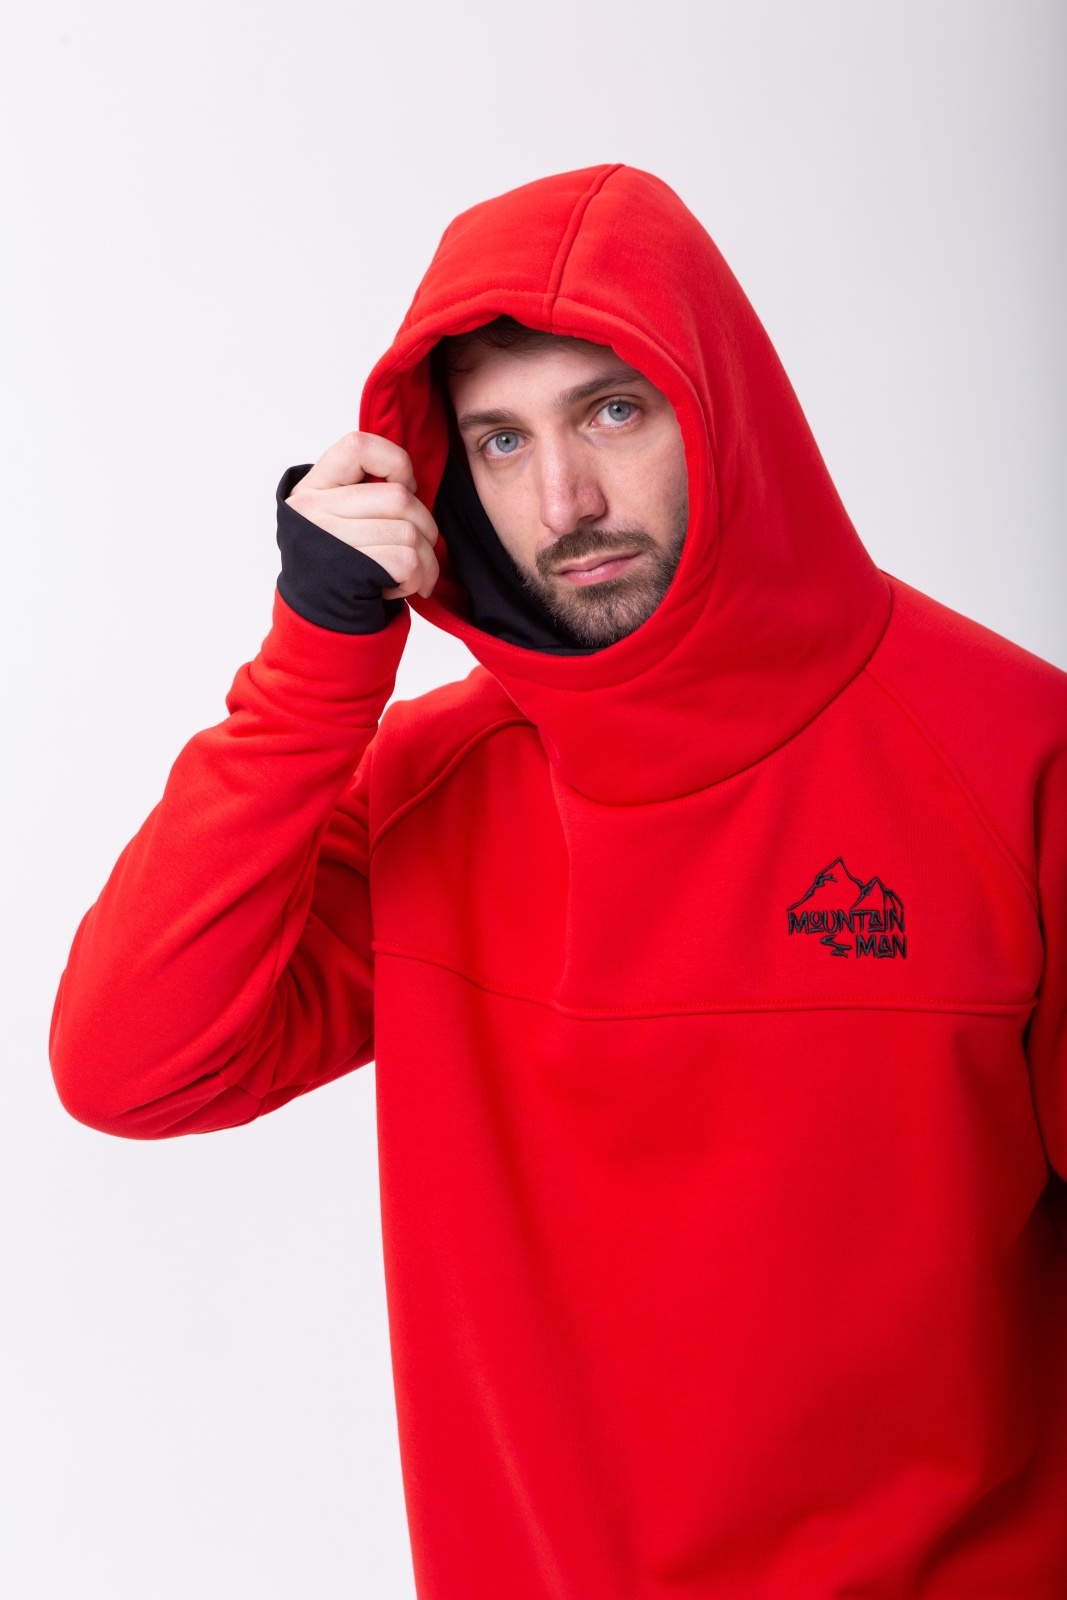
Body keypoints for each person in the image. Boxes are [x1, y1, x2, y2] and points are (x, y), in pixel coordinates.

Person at [50, 164, 1067, 1597]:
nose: (566, 498)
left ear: (723, 409)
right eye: (501, 440)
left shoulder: (1013, 758)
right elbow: (129, 1067)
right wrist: (315, 664)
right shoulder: (431, 787)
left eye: (611, 411)